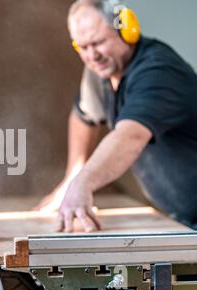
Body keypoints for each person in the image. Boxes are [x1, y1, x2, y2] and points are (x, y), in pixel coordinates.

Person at [36, 0, 197, 232]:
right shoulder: (101, 71)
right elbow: (84, 116)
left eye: (98, 42)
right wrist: (71, 179)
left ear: (126, 30)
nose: (92, 55)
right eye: (82, 47)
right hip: (183, 216)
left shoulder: (158, 71)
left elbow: (130, 136)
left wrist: (84, 182)